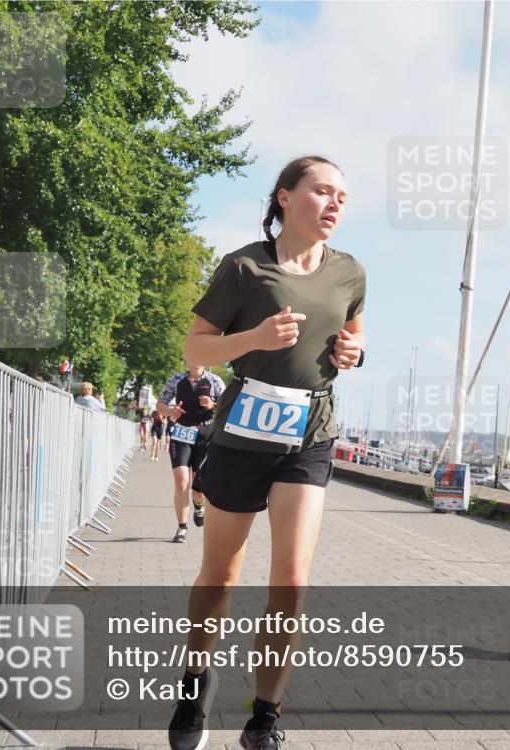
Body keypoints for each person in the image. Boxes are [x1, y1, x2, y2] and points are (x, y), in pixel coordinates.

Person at [167, 156, 365, 750]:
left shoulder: (351, 272)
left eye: (343, 197)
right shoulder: (245, 266)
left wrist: (353, 355)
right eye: (321, 191)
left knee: (291, 582)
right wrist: (253, 339)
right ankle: (195, 682)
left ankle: (264, 719)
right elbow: (194, 345)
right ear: (285, 197)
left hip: (309, 434)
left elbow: (354, 338)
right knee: (219, 574)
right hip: (241, 436)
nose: (334, 204)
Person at [157, 366, 226, 543]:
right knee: (182, 482)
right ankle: (182, 527)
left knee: (198, 488)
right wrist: (171, 412)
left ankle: (199, 506)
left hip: (205, 436)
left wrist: (213, 405)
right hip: (181, 434)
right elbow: (160, 404)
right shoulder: (176, 379)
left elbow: (228, 406)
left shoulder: (214, 381)